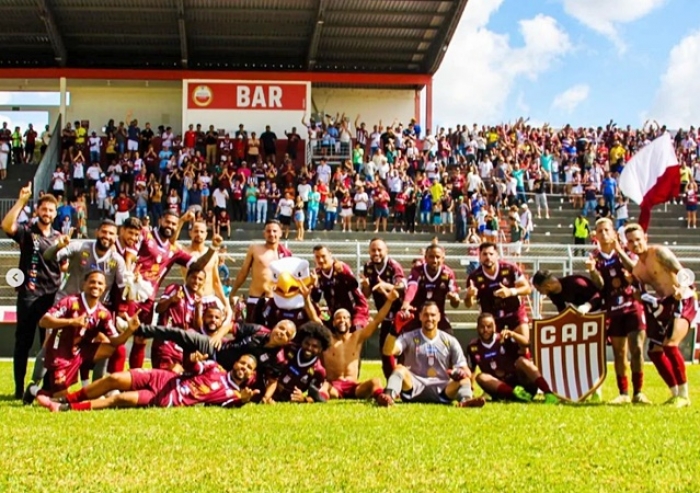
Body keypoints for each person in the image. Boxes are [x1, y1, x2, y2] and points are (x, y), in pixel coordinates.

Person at [23, 219, 128, 403]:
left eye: (112, 234)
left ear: (116, 237)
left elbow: (122, 289)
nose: (107, 236)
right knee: (51, 345)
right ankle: (35, 384)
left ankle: (97, 387)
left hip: (94, 311)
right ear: (97, 232)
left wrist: (124, 315)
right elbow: (48, 256)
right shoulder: (80, 247)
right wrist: (57, 247)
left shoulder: (117, 260)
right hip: (67, 307)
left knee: (107, 344)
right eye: (104, 232)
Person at [126, 211, 222, 369]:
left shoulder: (174, 250)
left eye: (174, 224)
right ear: (161, 220)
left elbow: (197, 266)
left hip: (148, 298)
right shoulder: (145, 235)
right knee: (118, 335)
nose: (170, 226)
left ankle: (134, 377)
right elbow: (128, 252)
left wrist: (212, 248)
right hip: (129, 292)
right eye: (168, 222)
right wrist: (129, 272)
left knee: (140, 339)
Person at [621, 223, 696, 407]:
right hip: (664, 305)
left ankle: (684, 395)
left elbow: (684, 273)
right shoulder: (637, 269)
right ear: (627, 245)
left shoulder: (659, 253)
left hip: (682, 299)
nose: (635, 244)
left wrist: (682, 288)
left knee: (670, 345)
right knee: (654, 352)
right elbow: (639, 295)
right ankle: (674, 393)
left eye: (638, 239)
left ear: (645, 238)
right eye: (631, 241)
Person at [1, 182, 63, 399]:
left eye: (51, 210)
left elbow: (62, 266)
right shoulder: (28, 232)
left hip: (51, 296)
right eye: (43, 209)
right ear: (37, 211)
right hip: (29, 294)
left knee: (49, 346)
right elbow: (7, 226)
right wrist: (21, 201)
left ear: (56, 213)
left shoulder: (59, 237)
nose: (47, 213)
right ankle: (19, 389)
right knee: (23, 343)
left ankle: (44, 389)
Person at [37, 352, 259, 412]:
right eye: (242, 363)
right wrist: (192, 360)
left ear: (251, 375)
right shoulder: (216, 368)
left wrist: (244, 401)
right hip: (164, 378)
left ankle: (65, 408)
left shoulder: (232, 394)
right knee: (114, 378)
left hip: (167, 398)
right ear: (235, 363)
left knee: (120, 399)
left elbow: (227, 406)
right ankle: (66, 397)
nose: (243, 368)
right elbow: (193, 367)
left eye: (248, 368)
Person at [37, 270, 139, 397]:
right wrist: (71, 321)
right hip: (60, 352)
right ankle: (35, 391)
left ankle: (99, 385)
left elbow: (116, 341)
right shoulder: (69, 302)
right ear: (84, 284)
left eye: (100, 283)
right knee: (60, 398)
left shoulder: (103, 313)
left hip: (81, 351)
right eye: (92, 282)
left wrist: (130, 330)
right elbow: (43, 321)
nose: (96, 285)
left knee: (112, 348)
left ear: (104, 288)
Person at [586, 218, 649, 404]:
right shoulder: (594, 258)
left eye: (607, 230)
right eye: (600, 231)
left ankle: (639, 392)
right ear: (595, 236)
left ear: (614, 232)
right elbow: (600, 285)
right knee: (619, 352)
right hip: (613, 309)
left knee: (637, 349)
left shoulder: (627, 250)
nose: (604, 234)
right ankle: (623, 393)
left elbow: (635, 269)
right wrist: (592, 272)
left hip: (632, 305)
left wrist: (620, 251)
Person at [378, 302, 485, 408]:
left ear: (439, 317)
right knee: (399, 369)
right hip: (413, 388)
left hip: (442, 390)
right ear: (420, 316)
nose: (429, 318)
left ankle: (466, 401)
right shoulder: (409, 337)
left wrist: (461, 373)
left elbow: (466, 370)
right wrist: (394, 330)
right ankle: (388, 397)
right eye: (426, 315)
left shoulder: (450, 340)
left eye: (433, 315)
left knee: (464, 380)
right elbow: (388, 351)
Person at [134, 307, 297, 374]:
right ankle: (141, 329)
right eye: (281, 328)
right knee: (183, 336)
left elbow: (270, 380)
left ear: (288, 341)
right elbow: (231, 326)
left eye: (287, 334)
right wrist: (218, 337)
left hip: (223, 373)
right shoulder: (259, 330)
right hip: (215, 350)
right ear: (275, 327)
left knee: (186, 373)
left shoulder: (278, 359)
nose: (281, 333)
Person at [319, 287, 399, 400]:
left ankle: (382, 398)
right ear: (333, 322)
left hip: (354, 387)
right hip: (334, 387)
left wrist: (389, 301)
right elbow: (314, 318)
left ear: (350, 322)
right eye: (338, 318)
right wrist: (306, 297)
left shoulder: (356, 337)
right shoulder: (327, 338)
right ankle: (318, 398)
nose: (342, 320)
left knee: (375, 381)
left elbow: (376, 321)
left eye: (345, 318)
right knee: (325, 385)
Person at [466, 313, 558, 403]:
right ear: (477, 328)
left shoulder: (504, 338)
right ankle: (514, 394)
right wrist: (470, 391)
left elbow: (527, 343)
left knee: (522, 361)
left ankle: (548, 393)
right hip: (501, 389)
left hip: (521, 383)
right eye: (482, 327)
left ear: (494, 327)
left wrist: (513, 334)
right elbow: (471, 371)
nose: (485, 330)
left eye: (489, 326)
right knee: (481, 377)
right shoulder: (473, 347)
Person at [465, 242, 532, 349]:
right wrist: (469, 296)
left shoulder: (510, 268)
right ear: (480, 256)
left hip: (514, 313)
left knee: (524, 344)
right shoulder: (474, 277)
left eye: (491, 254)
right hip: (492, 318)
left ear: (497, 255)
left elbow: (527, 288)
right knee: (494, 350)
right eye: (485, 254)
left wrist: (511, 292)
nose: (488, 257)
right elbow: (468, 304)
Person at [229, 219, 292, 324]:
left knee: (274, 334)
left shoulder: (286, 254)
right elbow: (243, 272)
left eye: (275, 231)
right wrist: (233, 292)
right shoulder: (255, 249)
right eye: (268, 231)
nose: (271, 234)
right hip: (256, 298)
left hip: (276, 300)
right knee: (252, 334)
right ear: (264, 233)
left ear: (280, 233)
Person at [361, 238, 406, 378]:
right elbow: (366, 294)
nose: (376, 253)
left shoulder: (394, 266)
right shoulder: (368, 267)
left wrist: (385, 286)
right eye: (373, 250)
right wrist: (366, 286)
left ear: (386, 251)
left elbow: (402, 287)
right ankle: (391, 384)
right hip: (384, 315)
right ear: (369, 251)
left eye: (379, 250)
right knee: (384, 350)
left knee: (401, 350)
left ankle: (402, 382)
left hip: (400, 315)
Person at [151, 265, 206, 371]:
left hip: (181, 350)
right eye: (194, 277)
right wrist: (172, 299)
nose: (196, 281)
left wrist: (198, 308)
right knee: (165, 376)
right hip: (165, 345)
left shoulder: (198, 301)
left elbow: (198, 328)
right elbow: (158, 308)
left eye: (200, 279)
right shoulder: (175, 289)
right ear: (187, 278)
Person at [262, 322, 332, 404]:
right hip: (266, 388)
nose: (309, 348)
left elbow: (318, 398)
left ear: (321, 349)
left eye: (315, 346)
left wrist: (304, 399)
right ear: (302, 341)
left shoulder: (319, 371)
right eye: (307, 343)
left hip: (287, 399)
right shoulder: (289, 348)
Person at [400, 243, 460, 333]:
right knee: (406, 336)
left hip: (437, 315)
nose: (435, 260)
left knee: (449, 335)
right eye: (431, 257)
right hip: (417, 314)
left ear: (443, 258)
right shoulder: (417, 270)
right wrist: (406, 303)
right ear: (425, 258)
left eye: (438, 257)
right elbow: (412, 287)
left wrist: (455, 298)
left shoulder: (448, 273)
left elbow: (455, 303)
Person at [179, 220, 231, 323]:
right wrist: (183, 219)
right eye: (196, 231)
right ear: (190, 233)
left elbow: (216, 282)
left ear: (206, 234)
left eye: (202, 232)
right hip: (191, 300)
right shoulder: (184, 252)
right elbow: (197, 266)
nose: (199, 234)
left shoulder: (214, 255)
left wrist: (226, 304)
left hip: (209, 299)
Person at [312, 245, 370, 331]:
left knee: (356, 329)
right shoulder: (317, 274)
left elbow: (354, 285)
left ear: (330, 255)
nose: (320, 260)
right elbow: (316, 298)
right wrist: (315, 285)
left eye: (323, 256)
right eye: (317, 257)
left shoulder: (340, 267)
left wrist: (343, 274)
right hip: (335, 311)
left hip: (356, 308)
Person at [531, 270, 602, 314]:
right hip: (585, 314)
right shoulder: (553, 295)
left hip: (601, 308)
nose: (539, 293)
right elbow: (562, 312)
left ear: (548, 286)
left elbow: (598, 293)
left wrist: (587, 306)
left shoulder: (575, 282)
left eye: (539, 290)